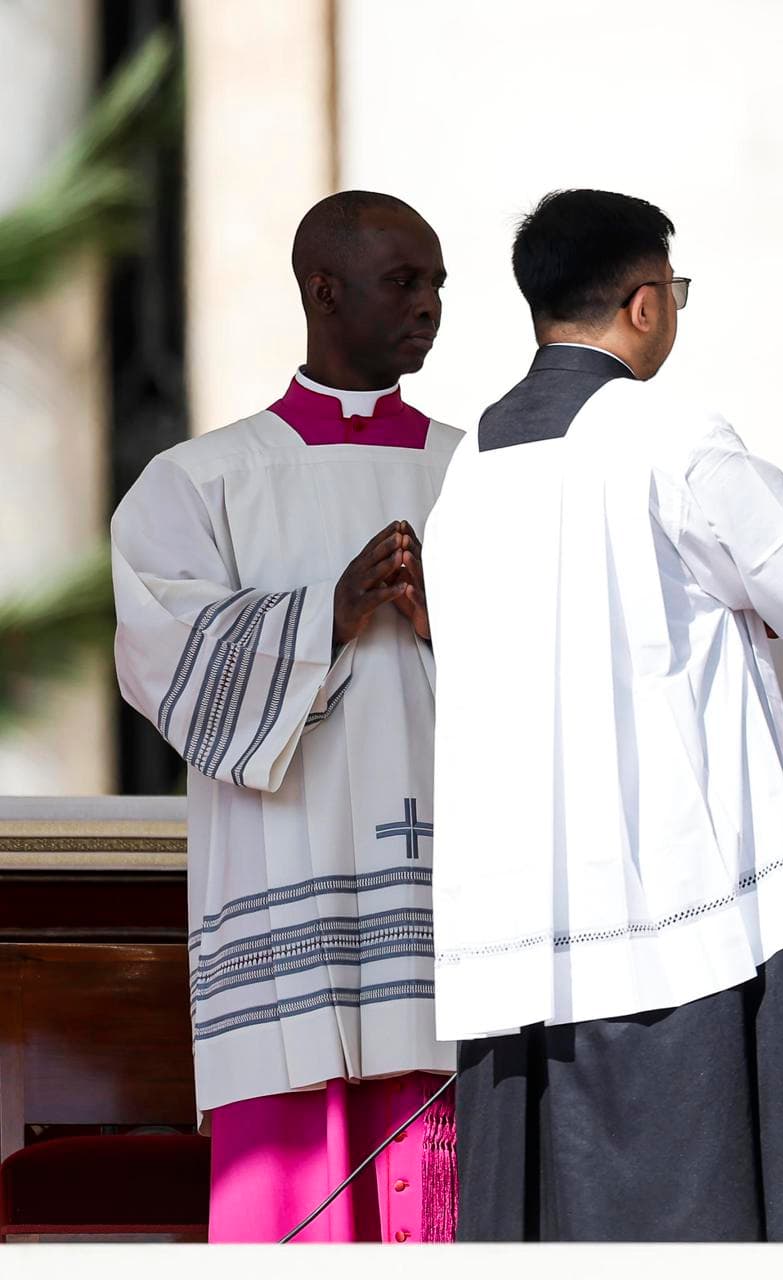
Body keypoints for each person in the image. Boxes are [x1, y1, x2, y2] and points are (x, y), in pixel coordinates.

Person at [427, 189, 783, 1242]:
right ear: (645, 303)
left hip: (520, 914)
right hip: (670, 907)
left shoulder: (469, 467)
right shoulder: (668, 435)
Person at [111, 191, 459, 1243]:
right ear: (325, 290)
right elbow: (160, 655)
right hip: (283, 879)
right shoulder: (199, 480)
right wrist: (325, 615)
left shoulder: (481, 470)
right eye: (405, 282)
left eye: (439, 286)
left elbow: (560, 658)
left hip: (448, 881)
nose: (430, 307)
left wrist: (450, 620)